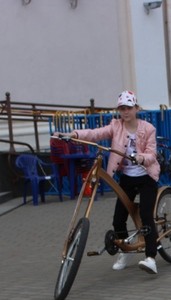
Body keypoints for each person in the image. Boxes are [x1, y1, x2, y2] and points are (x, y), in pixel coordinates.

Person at [59, 90, 161, 275]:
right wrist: (73, 134)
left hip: (146, 176)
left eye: (129, 108)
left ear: (136, 108)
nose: (125, 112)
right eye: (122, 108)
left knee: (146, 215)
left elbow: (152, 154)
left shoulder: (148, 128)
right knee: (118, 220)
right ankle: (125, 250)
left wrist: (141, 157)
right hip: (127, 178)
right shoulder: (116, 126)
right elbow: (95, 134)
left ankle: (151, 258)